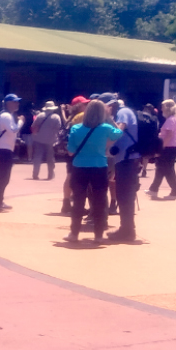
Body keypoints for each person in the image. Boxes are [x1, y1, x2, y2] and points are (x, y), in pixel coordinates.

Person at [65, 98, 122, 243]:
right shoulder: (105, 128)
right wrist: (110, 118)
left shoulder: (76, 129)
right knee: (100, 200)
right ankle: (98, 235)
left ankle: (74, 233)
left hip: (79, 167)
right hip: (99, 166)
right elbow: (118, 133)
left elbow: (71, 151)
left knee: (78, 200)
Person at [107, 99, 141, 243]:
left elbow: (119, 130)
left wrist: (108, 119)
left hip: (127, 159)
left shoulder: (122, 112)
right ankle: (126, 229)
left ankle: (128, 231)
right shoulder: (124, 111)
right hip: (126, 159)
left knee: (125, 195)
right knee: (124, 194)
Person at [0, 93, 23, 210]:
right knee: (1, 177)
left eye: (17, 101)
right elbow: (13, 130)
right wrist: (21, 122)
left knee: (3, 177)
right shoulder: (6, 116)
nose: (17, 103)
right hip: (2, 149)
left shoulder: (9, 115)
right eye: (15, 101)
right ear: (8, 103)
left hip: (5, 149)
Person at [146, 99, 176, 200]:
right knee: (161, 168)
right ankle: (154, 189)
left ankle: (175, 192)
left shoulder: (171, 119)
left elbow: (169, 135)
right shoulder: (173, 118)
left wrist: (161, 147)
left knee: (167, 169)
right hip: (171, 146)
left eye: (163, 107)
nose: (161, 109)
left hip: (169, 147)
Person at [59, 96, 88, 216]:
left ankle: (66, 203)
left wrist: (62, 111)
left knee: (70, 176)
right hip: (77, 150)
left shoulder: (70, 118)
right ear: (79, 106)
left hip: (70, 149)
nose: (86, 106)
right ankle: (76, 205)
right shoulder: (81, 117)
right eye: (84, 104)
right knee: (77, 178)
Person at [30, 102, 63, 180]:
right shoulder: (56, 117)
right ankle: (50, 175)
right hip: (50, 140)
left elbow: (33, 126)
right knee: (50, 158)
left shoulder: (40, 115)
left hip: (38, 138)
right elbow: (58, 128)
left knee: (37, 156)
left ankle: (35, 174)